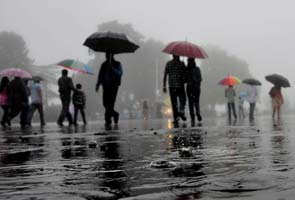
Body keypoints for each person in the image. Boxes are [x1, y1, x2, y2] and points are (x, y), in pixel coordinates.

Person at [96, 52, 122, 128]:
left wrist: (112, 68)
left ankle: (108, 119)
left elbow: (120, 73)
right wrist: (98, 84)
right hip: (105, 86)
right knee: (105, 103)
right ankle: (115, 114)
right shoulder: (103, 65)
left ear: (112, 55)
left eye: (108, 55)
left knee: (111, 103)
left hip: (114, 86)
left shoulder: (117, 64)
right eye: (106, 55)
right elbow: (100, 75)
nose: (107, 56)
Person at [163, 55, 186, 125]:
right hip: (180, 85)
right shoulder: (182, 64)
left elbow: (165, 75)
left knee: (174, 103)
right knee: (183, 99)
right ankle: (181, 111)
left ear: (173, 56)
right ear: (178, 56)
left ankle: (176, 118)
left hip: (172, 86)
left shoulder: (168, 63)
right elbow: (185, 74)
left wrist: (164, 86)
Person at [185, 58, 202, 127]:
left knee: (193, 102)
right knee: (194, 102)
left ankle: (195, 114)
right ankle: (195, 114)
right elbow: (200, 79)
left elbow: (200, 79)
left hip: (193, 88)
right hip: (193, 88)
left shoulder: (191, 69)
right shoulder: (194, 69)